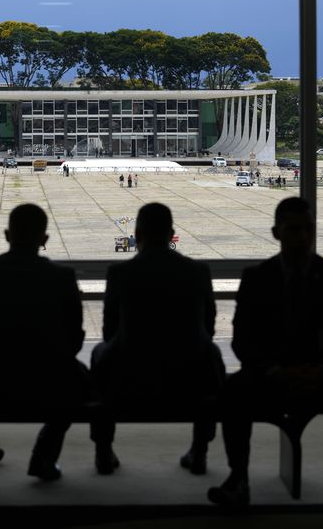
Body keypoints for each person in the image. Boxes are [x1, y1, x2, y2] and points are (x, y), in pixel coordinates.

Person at [208, 197, 323, 510]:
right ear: (276, 233)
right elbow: (242, 340)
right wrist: (274, 371)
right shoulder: (257, 277)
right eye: (294, 230)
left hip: (318, 374)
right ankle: (238, 477)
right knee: (233, 391)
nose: (303, 237)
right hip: (273, 375)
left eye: (308, 229)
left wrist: (322, 369)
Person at [0, 203, 91, 481]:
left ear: (6, 235)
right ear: (44, 240)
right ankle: (44, 455)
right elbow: (75, 336)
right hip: (51, 381)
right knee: (80, 380)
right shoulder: (63, 277)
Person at [91, 203, 224, 476]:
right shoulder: (198, 271)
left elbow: (108, 332)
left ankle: (103, 450)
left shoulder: (120, 273)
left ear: (137, 233)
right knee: (211, 354)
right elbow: (208, 328)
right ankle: (200, 450)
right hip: (188, 378)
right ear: (172, 234)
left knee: (99, 354)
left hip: (130, 378)